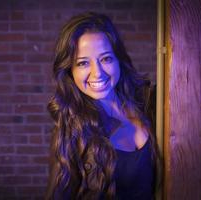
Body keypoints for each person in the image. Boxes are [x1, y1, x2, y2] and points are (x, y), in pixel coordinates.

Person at [46, 12, 159, 200]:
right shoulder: (71, 131)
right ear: (69, 71)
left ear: (118, 59)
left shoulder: (148, 103)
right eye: (83, 63)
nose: (97, 73)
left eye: (106, 59)